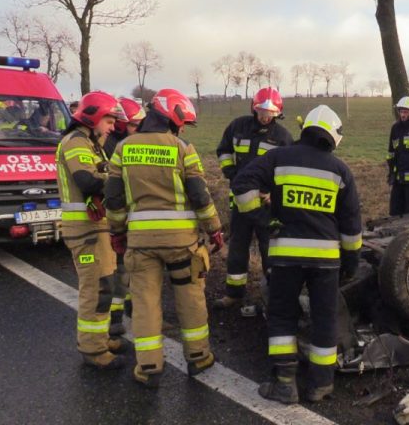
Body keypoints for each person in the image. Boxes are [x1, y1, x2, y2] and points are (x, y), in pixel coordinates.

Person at [232, 105, 362, 404]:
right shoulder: (341, 171)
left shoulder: (279, 158)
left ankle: (284, 384)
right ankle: (321, 384)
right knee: (325, 318)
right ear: (333, 137)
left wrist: (263, 219)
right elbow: (352, 228)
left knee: (282, 316)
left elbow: (241, 185)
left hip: (286, 256)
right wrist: (351, 264)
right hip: (326, 261)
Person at [104, 88, 224, 387]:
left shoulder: (123, 149)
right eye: (181, 122)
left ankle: (148, 366)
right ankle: (199, 357)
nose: (182, 128)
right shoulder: (183, 148)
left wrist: (117, 232)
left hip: (141, 244)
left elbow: (114, 198)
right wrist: (214, 228)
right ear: (171, 118)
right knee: (190, 296)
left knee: (144, 301)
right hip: (182, 244)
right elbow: (199, 195)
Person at [55, 91, 127, 370]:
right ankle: (93, 351)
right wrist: (122, 180)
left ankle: (99, 338)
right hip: (85, 230)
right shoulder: (75, 142)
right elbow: (87, 180)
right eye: (109, 120)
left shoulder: (89, 143)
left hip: (95, 227)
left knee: (104, 285)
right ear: (94, 116)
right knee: (96, 289)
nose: (112, 127)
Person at [214, 87, 294, 313]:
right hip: (240, 202)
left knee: (270, 251)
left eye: (270, 112)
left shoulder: (283, 137)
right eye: (261, 111)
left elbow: (287, 171)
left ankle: (270, 297)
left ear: (278, 113)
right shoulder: (237, 127)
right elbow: (224, 151)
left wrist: (272, 193)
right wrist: (232, 175)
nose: (265, 116)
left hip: (266, 204)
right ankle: (234, 293)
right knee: (238, 248)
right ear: (253, 107)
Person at [103, 96, 146, 337]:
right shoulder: (112, 146)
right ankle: (116, 315)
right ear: (120, 124)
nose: (138, 129)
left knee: (133, 266)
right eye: (133, 125)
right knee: (120, 267)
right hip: (117, 214)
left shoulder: (130, 143)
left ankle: (130, 306)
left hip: (132, 214)